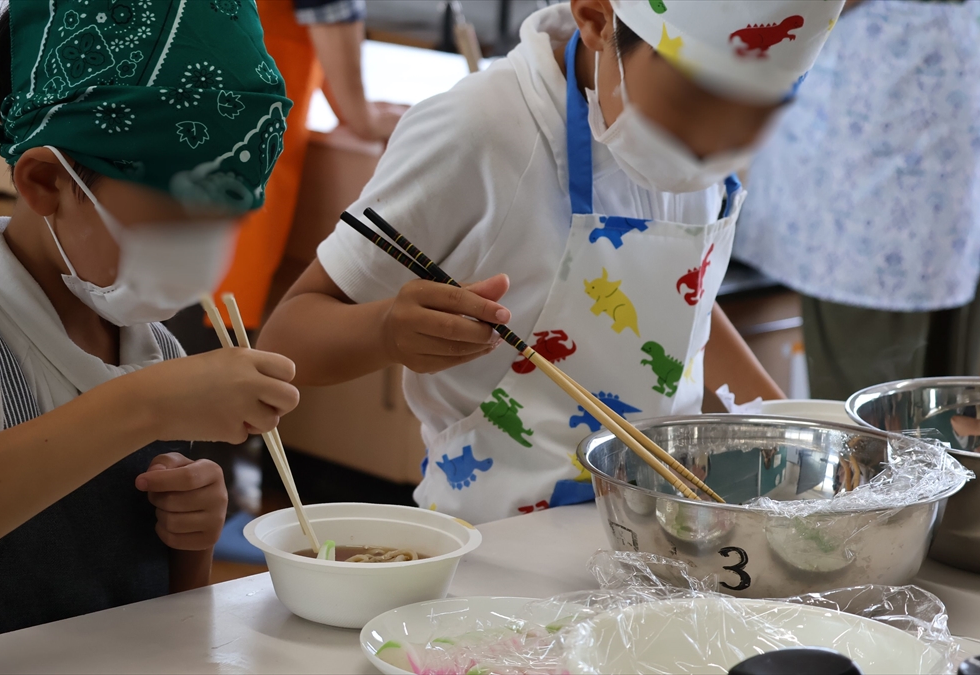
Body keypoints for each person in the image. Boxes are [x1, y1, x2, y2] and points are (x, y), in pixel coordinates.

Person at [258, 0, 844, 524]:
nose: (714, 141)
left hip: (663, 524)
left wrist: (792, 432)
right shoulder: (479, 132)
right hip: (501, 541)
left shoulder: (706, 144)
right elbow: (288, 338)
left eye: (756, 111)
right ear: (596, 19)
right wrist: (386, 331)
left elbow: (676, 299)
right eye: (692, 101)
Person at [0, 0, 298, 657]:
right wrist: (145, 403)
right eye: (175, 221)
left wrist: (190, 540)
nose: (202, 259)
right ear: (47, 181)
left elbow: (150, 621)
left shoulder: (149, 343)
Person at [733, 0, 980, 400]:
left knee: (895, 379)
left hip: (938, 69)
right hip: (925, 67)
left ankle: (916, 455)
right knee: (896, 377)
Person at [209, 0, 406, 332]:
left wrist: (349, 104)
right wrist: (361, 116)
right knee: (205, 348)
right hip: (237, 143)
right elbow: (329, 11)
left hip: (163, 126)